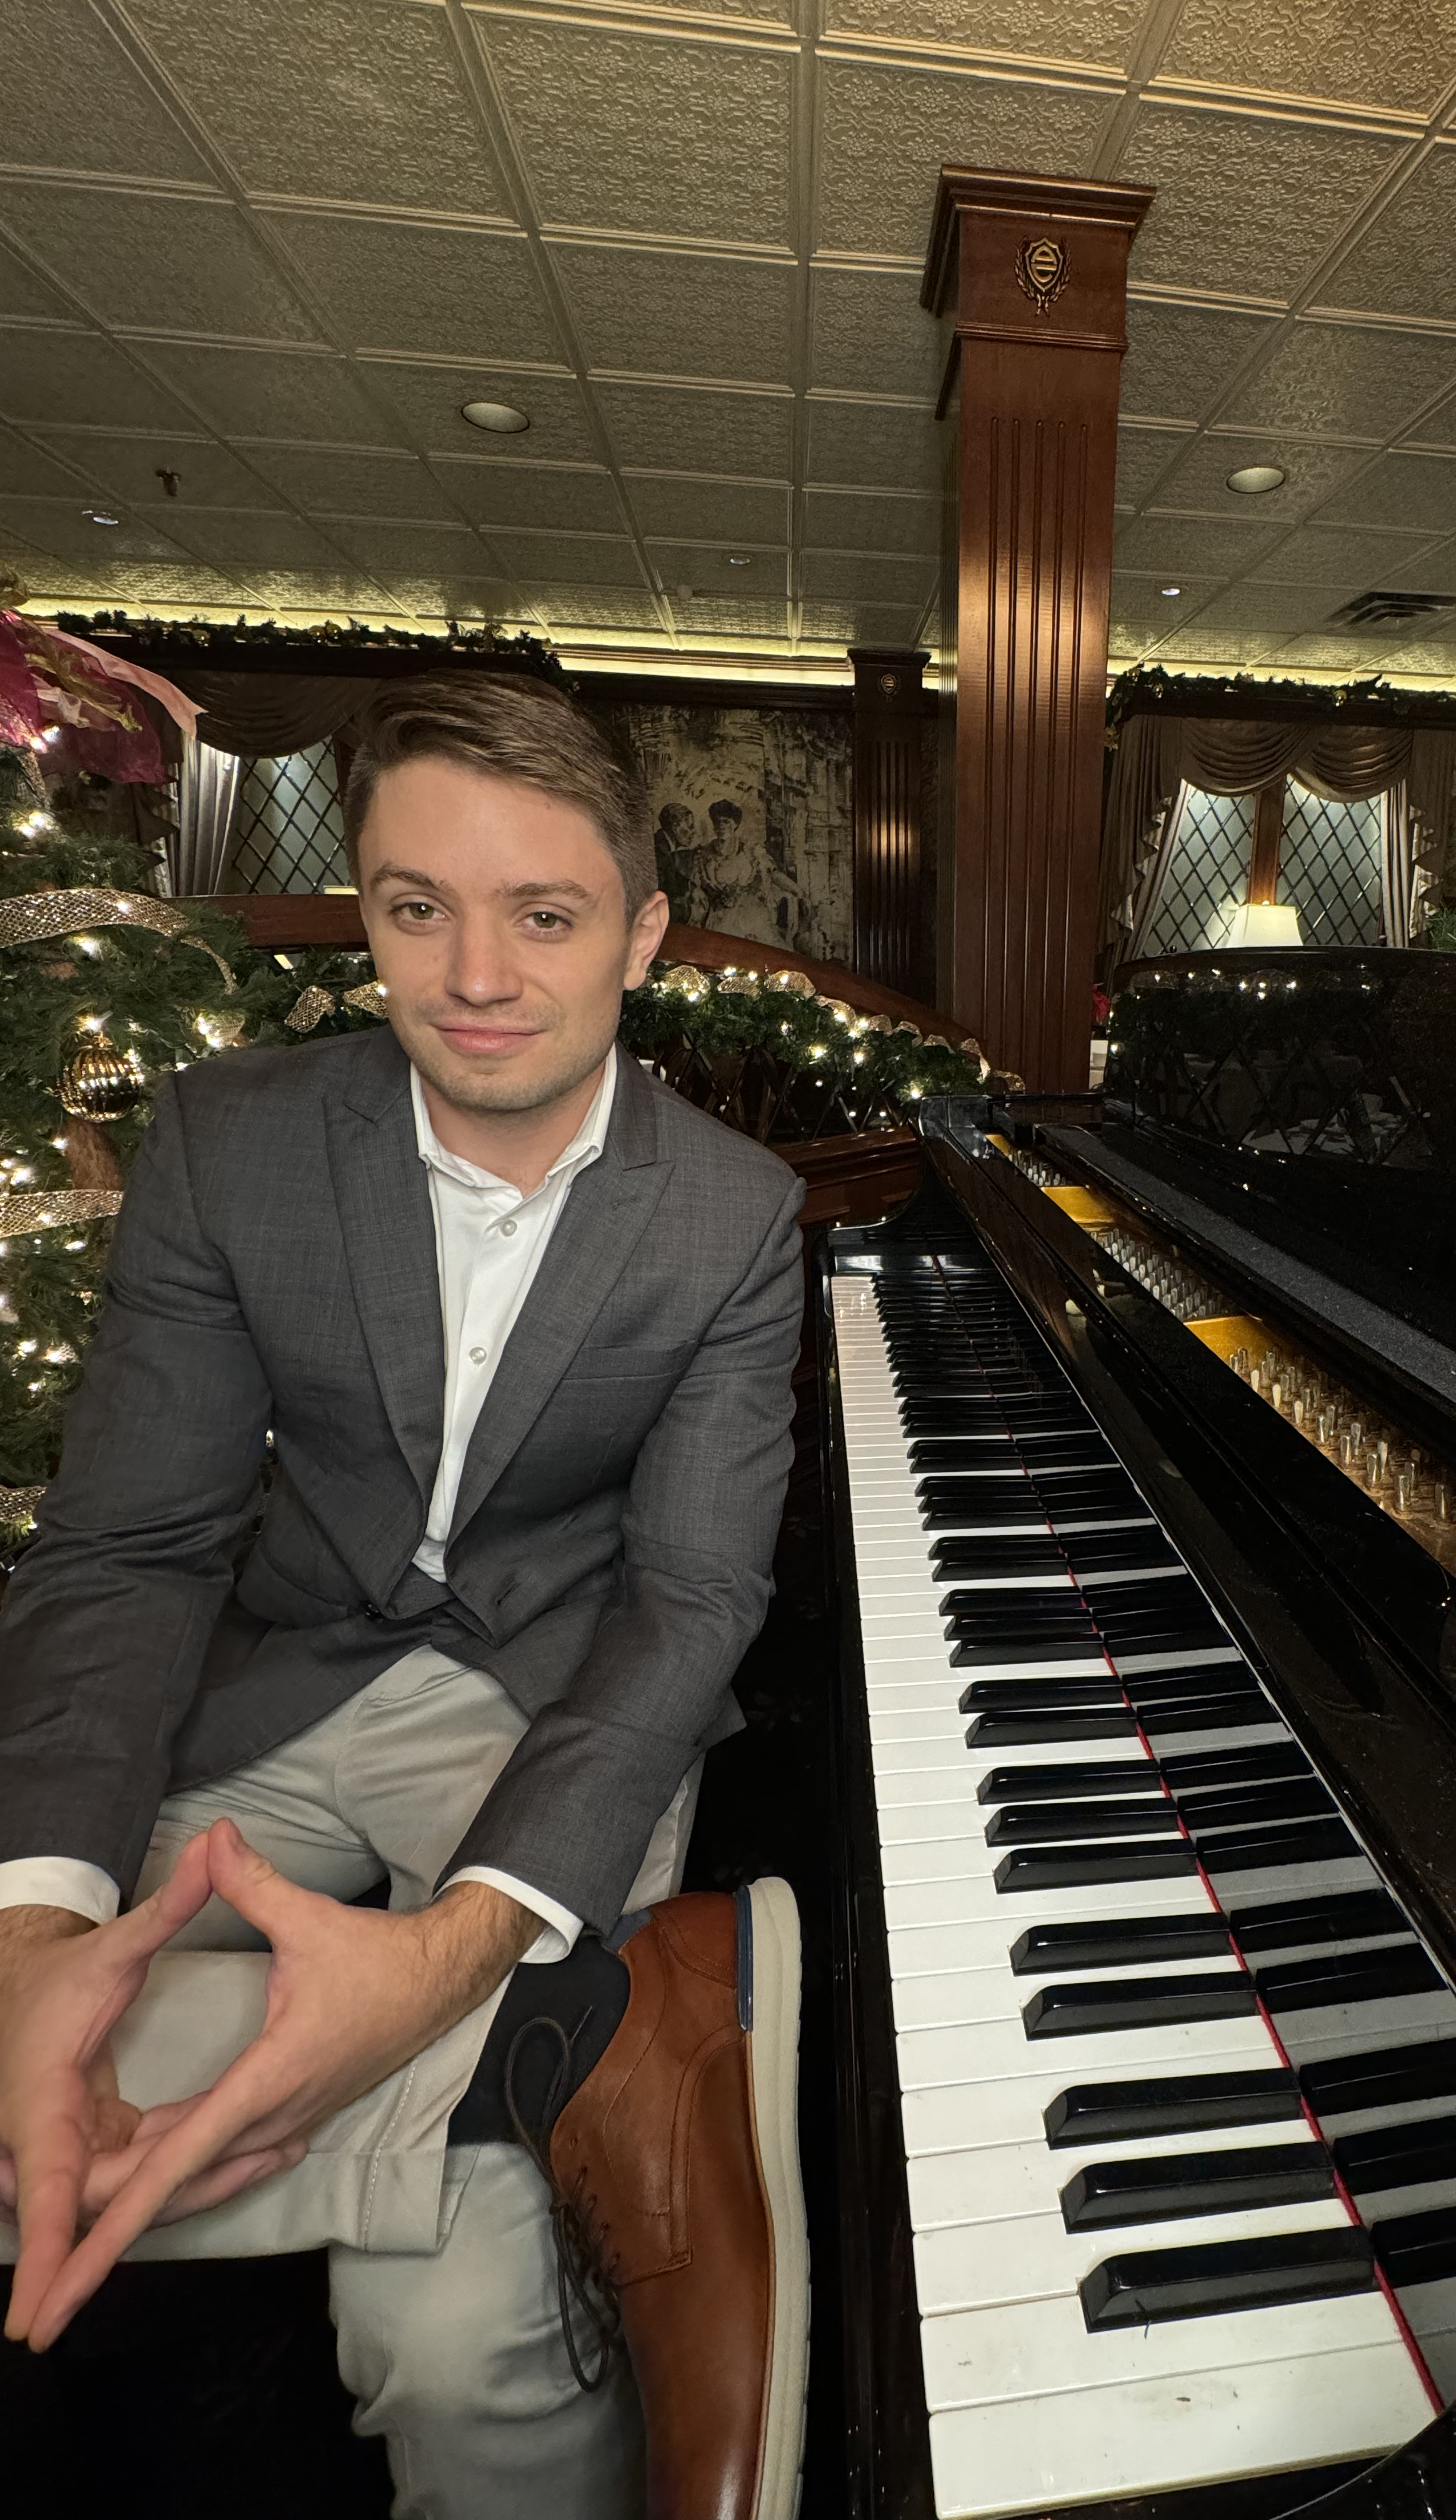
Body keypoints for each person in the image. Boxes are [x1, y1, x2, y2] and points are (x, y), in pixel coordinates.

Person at [0, 672, 810, 2519]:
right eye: (415, 907)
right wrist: (35, 1934)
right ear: (364, 906)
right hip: (273, 1671)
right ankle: (610, 2062)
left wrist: (450, 1947)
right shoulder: (232, 1141)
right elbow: (130, 1546)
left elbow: (689, 1601)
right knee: (24, 2059)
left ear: (642, 936)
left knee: (451, 2351)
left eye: (545, 915)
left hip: (553, 1696)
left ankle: (523, 2060)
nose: (477, 977)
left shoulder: (733, 1212)